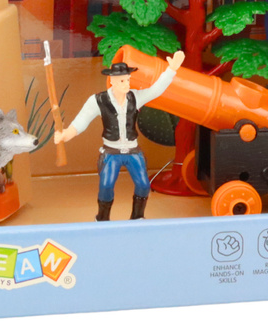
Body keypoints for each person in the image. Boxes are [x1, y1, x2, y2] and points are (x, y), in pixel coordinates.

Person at [54, 51, 185, 220]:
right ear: (112, 81)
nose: (126, 84)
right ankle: (102, 219)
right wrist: (65, 135)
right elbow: (81, 122)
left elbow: (156, 90)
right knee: (106, 185)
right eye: (122, 81)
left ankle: (137, 217)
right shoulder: (98, 100)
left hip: (132, 151)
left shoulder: (135, 97)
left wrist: (171, 70)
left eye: (128, 80)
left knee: (143, 185)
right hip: (111, 152)